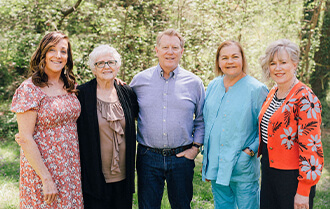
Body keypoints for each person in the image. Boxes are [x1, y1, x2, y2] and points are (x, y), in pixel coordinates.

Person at [129, 28, 205, 209]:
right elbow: (125, 113)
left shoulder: (194, 83)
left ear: (181, 51)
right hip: (148, 157)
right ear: (156, 50)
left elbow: (201, 119)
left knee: (181, 205)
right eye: (165, 47)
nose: (170, 52)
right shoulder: (139, 81)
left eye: (175, 47)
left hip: (182, 157)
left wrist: (195, 148)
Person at [11, 31, 84, 208]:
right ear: (43, 53)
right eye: (52, 50)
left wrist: (113, 81)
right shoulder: (30, 89)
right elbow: (26, 138)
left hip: (70, 168)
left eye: (63, 51)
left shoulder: (71, 85)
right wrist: (46, 178)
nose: (58, 55)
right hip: (42, 170)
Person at [201, 40, 268, 209]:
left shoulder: (257, 89)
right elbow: (207, 121)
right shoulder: (213, 85)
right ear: (218, 62)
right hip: (216, 165)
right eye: (224, 58)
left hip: (242, 166)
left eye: (234, 57)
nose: (229, 61)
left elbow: (266, 128)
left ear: (243, 59)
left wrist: (250, 151)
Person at [258, 39, 323, 209]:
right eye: (273, 63)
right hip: (269, 171)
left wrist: (303, 190)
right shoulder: (273, 92)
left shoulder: (305, 98)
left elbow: (312, 147)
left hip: (292, 178)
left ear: (294, 64)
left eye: (283, 62)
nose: (277, 68)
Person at [77, 45, 138, 209]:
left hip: (124, 178)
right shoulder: (81, 94)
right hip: (94, 178)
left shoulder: (127, 92)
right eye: (100, 63)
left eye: (111, 62)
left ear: (117, 66)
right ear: (93, 69)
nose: (106, 67)